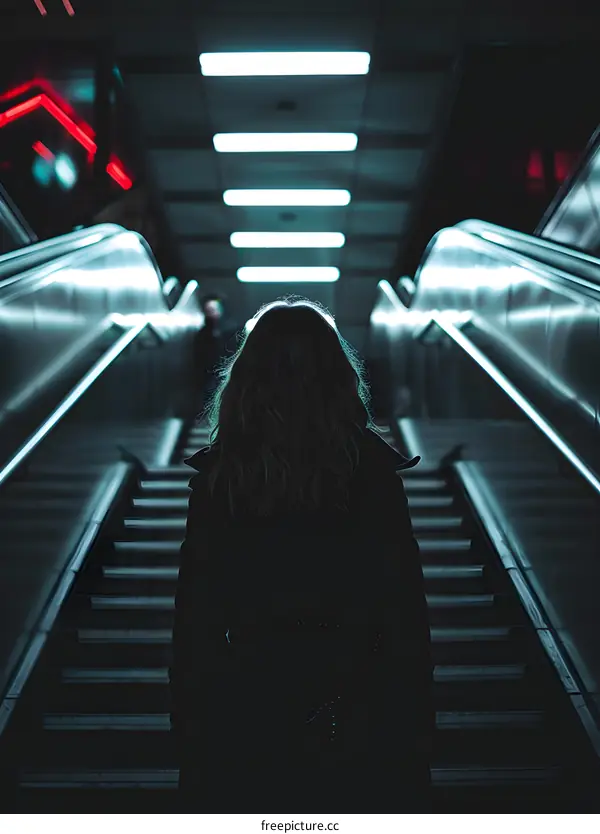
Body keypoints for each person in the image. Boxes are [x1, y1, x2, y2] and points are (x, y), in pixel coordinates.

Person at [169, 296, 434, 813]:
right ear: (337, 376)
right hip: (359, 694)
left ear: (248, 379)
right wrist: (416, 722)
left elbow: (196, 614)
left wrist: (188, 720)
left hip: (249, 693)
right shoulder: (373, 475)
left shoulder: (222, 480)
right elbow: (403, 607)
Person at [193, 294, 239, 412]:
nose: (211, 314)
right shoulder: (203, 333)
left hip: (226, 371)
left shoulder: (231, 330)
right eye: (208, 311)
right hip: (208, 373)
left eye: (213, 310)